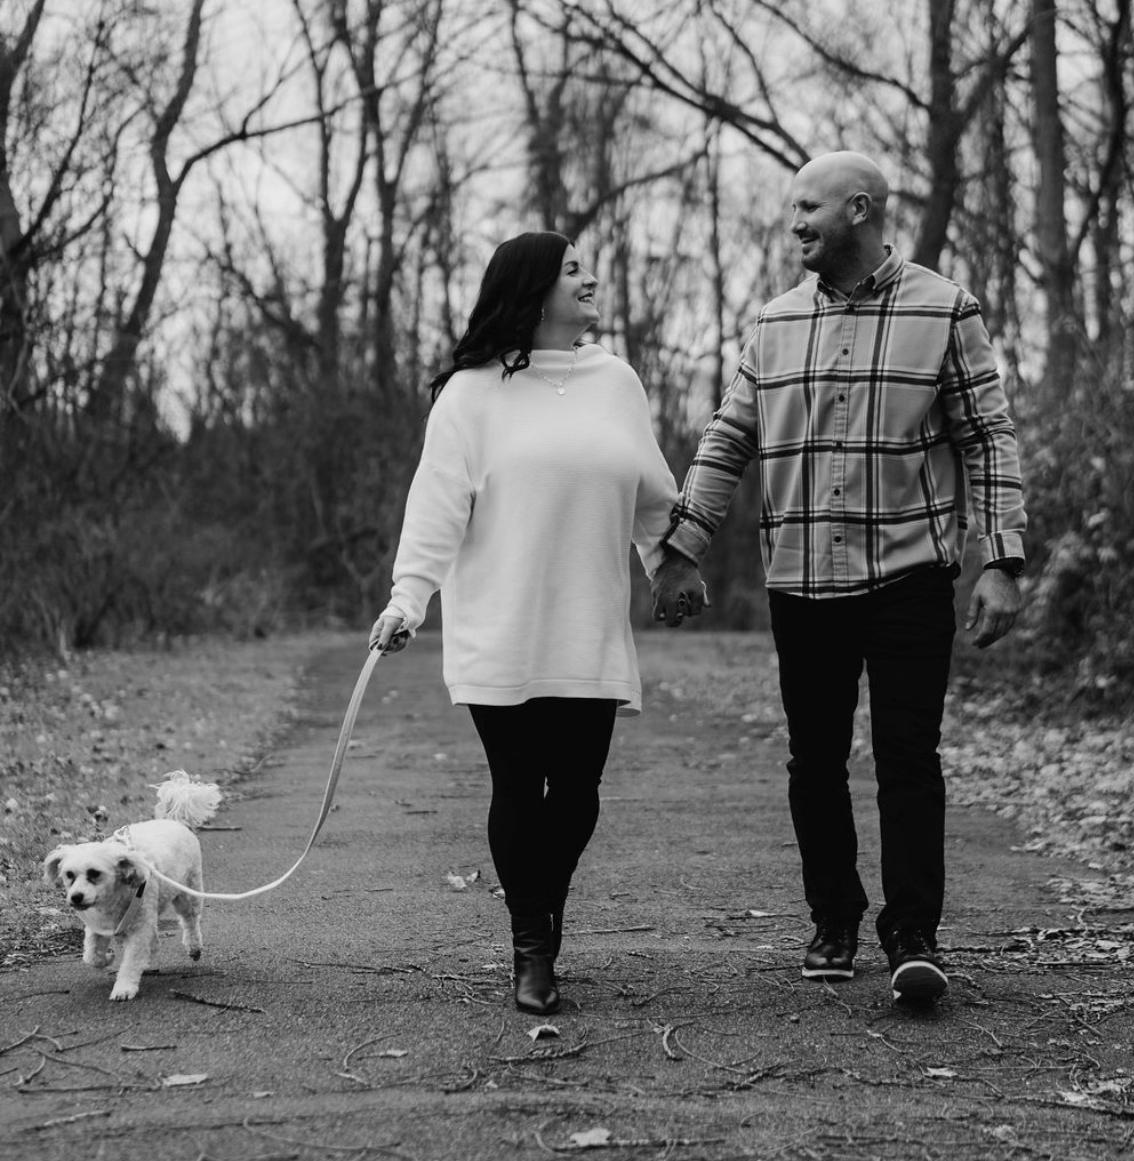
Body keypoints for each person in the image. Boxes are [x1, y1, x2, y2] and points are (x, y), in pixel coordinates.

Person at [652, 151, 1026, 1005]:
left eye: (808, 209)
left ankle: (913, 931)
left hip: (909, 578)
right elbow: (727, 440)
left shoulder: (944, 307)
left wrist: (1001, 559)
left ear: (860, 210)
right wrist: (683, 548)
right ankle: (834, 915)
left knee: (907, 755)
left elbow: (988, 439)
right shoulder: (776, 324)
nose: (794, 226)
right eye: (791, 211)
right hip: (803, 581)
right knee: (813, 759)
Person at [369, 231, 678, 1016]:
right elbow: (435, 507)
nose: (592, 277)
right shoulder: (471, 393)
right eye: (574, 269)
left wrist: (673, 563)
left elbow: (651, 494)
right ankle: (532, 947)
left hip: (590, 621)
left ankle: (541, 911)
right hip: (499, 624)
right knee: (518, 782)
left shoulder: (617, 381)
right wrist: (409, 599)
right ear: (533, 288)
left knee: (576, 792)